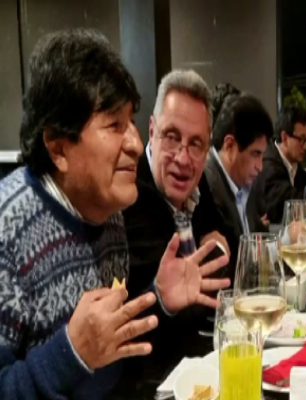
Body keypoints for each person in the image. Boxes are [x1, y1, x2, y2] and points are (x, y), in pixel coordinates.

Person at [0, 29, 228, 400]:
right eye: (114, 125)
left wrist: (158, 299)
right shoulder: (7, 231)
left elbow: (113, 349)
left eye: (130, 122)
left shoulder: (109, 214)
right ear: (58, 147)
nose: (136, 143)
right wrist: (69, 353)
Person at [119, 70, 231, 392]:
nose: (183, 158)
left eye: (196, 144)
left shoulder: (196, 181)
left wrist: (214, 238)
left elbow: (228, 246)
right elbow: (186, 308)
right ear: (151, 131)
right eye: (171, 137)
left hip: (198, 366)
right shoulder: (129, 194)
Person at [205, 89, 273, 281]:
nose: (260, 166)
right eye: (255, 154)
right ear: (229, 146)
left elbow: (258, 237)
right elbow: (237, 265)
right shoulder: (206, 186)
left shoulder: (241, 182)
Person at [252, 106, 306, 223]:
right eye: (301, 139)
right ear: (285, 138)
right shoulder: (268, 165)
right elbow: (289, 202)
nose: (305, 146)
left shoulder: (293, 163)